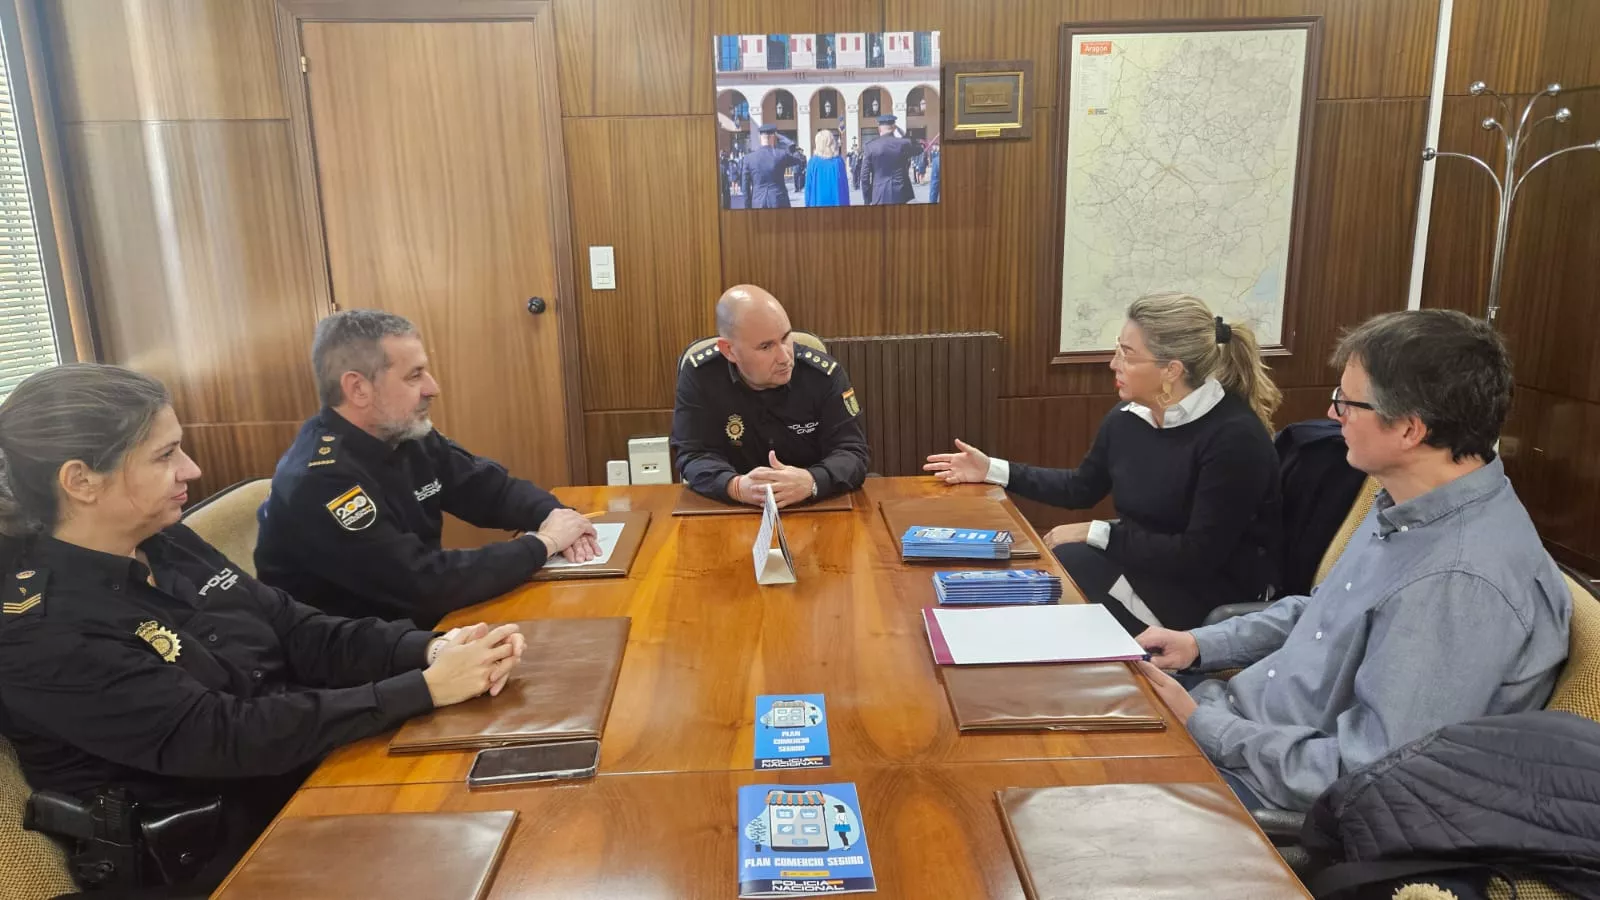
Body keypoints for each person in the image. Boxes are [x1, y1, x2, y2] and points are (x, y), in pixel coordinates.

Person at [0, 364, 527, 893]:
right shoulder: (41, 632)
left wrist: (431, 650)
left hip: (302, 779)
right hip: (219, 858)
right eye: (165, 456)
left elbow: (297, 631)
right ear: (81, 481)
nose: (191, 469)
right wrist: (424, 689)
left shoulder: (164, 540)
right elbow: (225, 736)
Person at [1134, 309, 1571, 813]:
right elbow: (1325, 613)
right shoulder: (1408, 506)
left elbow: (1370, 775)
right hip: (1240, 725)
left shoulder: (1457, 581)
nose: (1332, 412)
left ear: (1409, 429)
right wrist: (1199, 645)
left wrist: (1202, 724)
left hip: (1266, 787)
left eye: (1347, 401)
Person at [925, 293, 1282, 634]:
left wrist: (1098, 533)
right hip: (1147, 568)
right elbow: (1080, 488)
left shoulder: (1234, 439)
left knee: (1066, 572)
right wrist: (992, 470)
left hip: (1205, 596)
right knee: (1053, 574)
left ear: (1171, 370)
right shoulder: (1129, 417)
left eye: (1128, 355)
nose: (1114, 364)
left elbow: (1197, 555)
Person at [256, 310, 598, 628]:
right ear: (358, 388)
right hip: (361, 656)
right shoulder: (320, 479)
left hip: (416, 630)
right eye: (414, 376)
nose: (433, 388)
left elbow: (489, 490)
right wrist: (544, 543)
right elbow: (422, 583)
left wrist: (557, 516)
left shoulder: (404, 434)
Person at [671, 285, 869, 507]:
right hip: (734, 507)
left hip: (811, 505)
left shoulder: (822, 376)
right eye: (766, 347)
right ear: (729, 350)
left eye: (785, 338)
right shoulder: (701, 376)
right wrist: (735, 487)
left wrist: (812, 481)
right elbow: (693, 454)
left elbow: (853, 453)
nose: (785, 357)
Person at [737, 124, 806, 209]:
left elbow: (745, 187)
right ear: (774, 137)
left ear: (759, 137)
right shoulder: (781, 155)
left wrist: (748, 208)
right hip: (779, 200)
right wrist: (787, 141)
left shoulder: (749, 158)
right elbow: (801, 159)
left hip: (758, 202)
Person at [860, 114, 921, 205]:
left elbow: (864, 177)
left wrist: (867, 199)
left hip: (879, 194)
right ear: (894, 128)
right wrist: (904, 134)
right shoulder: (903, 143)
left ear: (879, 129)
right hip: (901, 193)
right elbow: (919, 149)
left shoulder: (870, 146)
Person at [804, 130, 851, 207]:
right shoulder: (838, 161)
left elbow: (808, 188)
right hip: (837, 202)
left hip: (818, 203)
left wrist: (807, 204)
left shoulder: (812, 162)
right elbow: (845, 187)